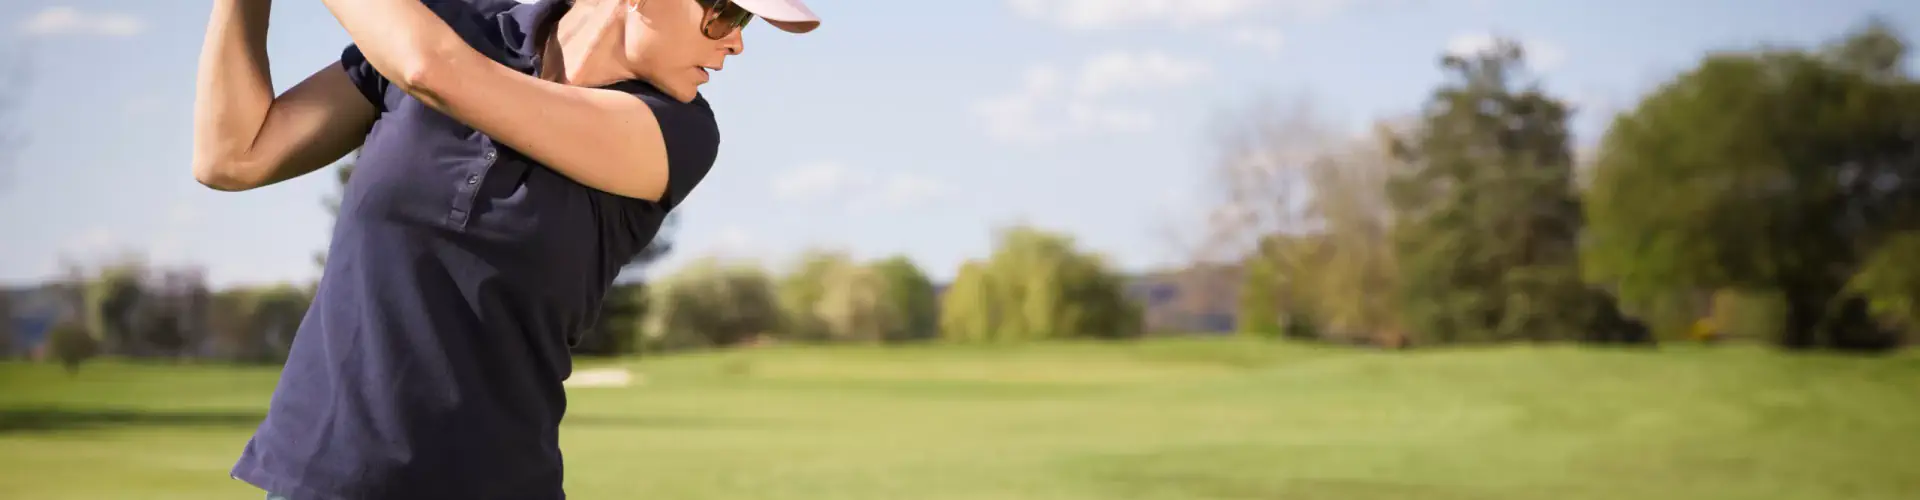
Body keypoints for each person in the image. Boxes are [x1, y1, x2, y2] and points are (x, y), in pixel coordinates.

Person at [189, 0, 819, 497]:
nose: (735, 41)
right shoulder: (460, 23)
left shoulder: (679, 131)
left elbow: (432, 70)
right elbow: (233, 155)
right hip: (323, 475)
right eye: (725, 14)